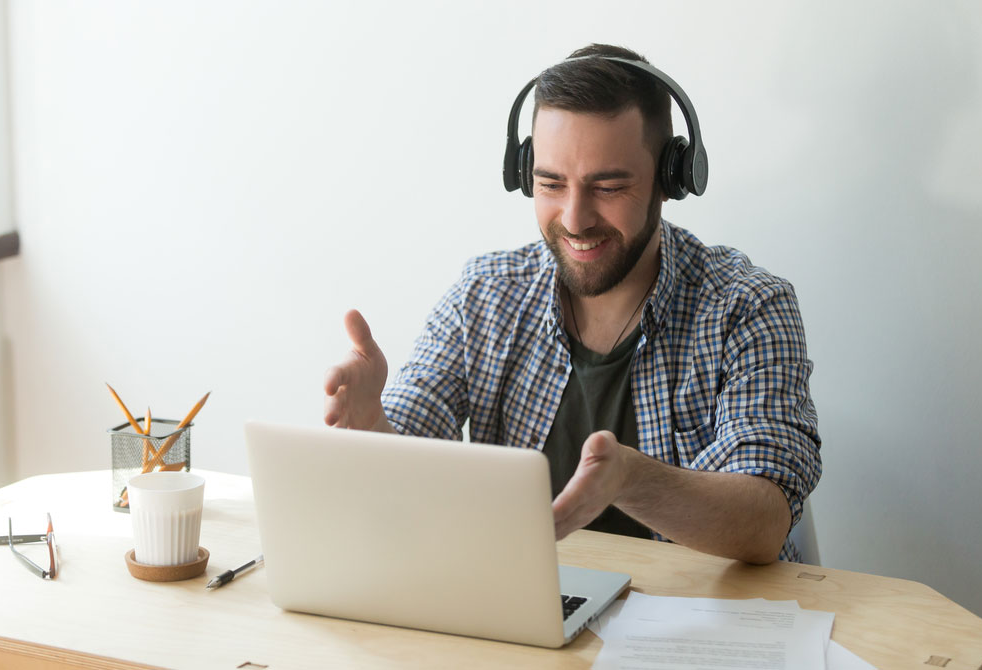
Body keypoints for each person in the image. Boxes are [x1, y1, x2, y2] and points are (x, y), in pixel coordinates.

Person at [323, 44, 822, 565]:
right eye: (550, 184)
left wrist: (632, 479)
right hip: (528, 611)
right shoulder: (485, 296)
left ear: (672, 180)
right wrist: (373, 429)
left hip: (702, 627)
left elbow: (764, 523)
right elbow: (413, 460)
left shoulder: (748, 306)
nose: (575, 218)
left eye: (608, 186)